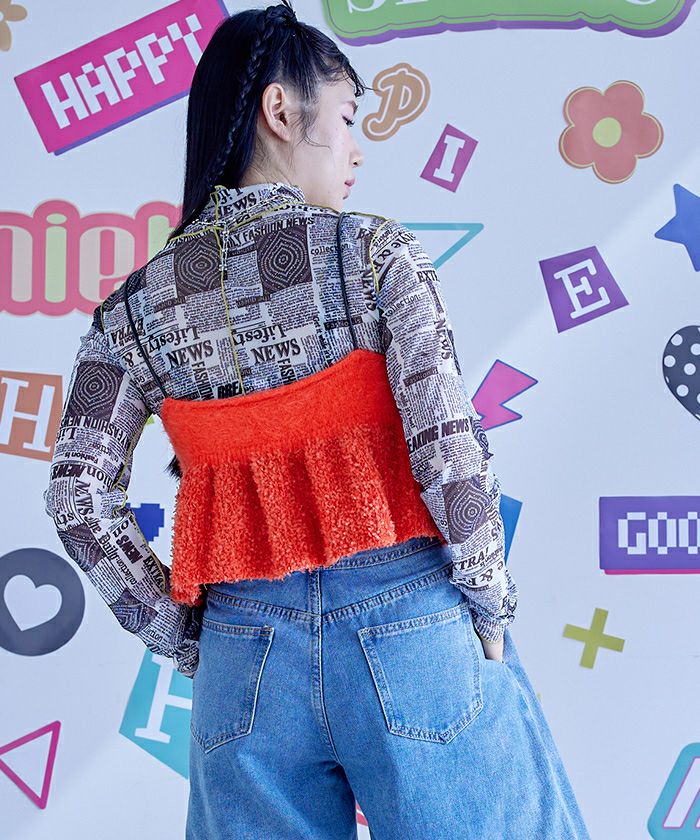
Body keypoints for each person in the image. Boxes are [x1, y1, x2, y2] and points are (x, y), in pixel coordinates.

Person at [43, 2, 592, 837]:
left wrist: (190, 640)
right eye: (345, 118)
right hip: (409, 624)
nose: (355, 148)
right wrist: (488, 602)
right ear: (279, 109)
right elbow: (447, 447)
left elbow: (76, 499)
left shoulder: (134, 311)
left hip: (244, 657)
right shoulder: (374, 255)